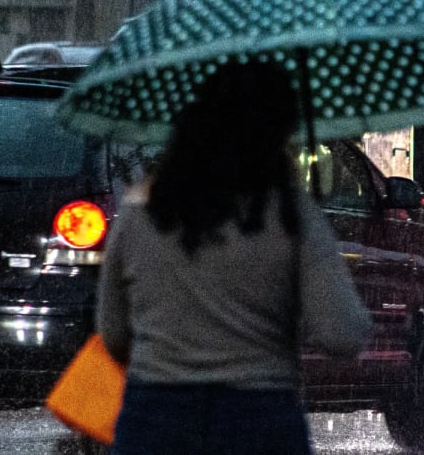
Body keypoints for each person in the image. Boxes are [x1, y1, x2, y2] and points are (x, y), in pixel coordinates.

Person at [95, 60, 371, 455]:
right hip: (259, 422)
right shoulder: (292, 216)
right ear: (276, 133)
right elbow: (341, 334)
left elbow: (114, 335)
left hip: (154, 421)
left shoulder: (141, 214)